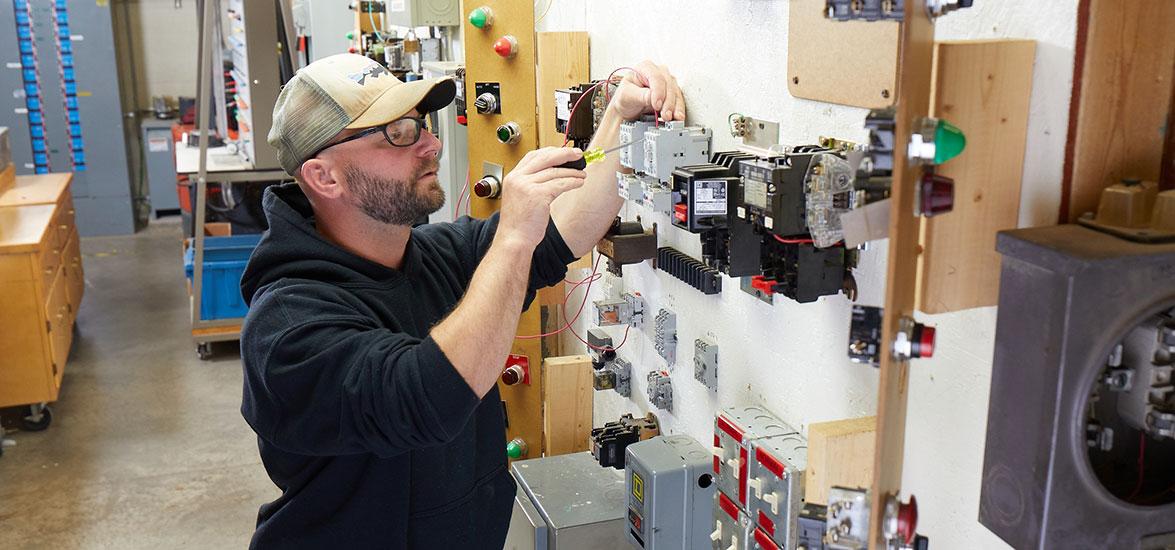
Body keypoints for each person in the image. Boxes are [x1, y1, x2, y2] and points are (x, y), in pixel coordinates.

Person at [237, 53, 685, 548]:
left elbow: (565, 228)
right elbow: (428, 398)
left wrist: (621, 117)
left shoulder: (429, 254)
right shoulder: (287, 328)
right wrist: (512, 239)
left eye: (422, 125)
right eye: (398, 133)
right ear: (325, 177)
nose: (430, 144)